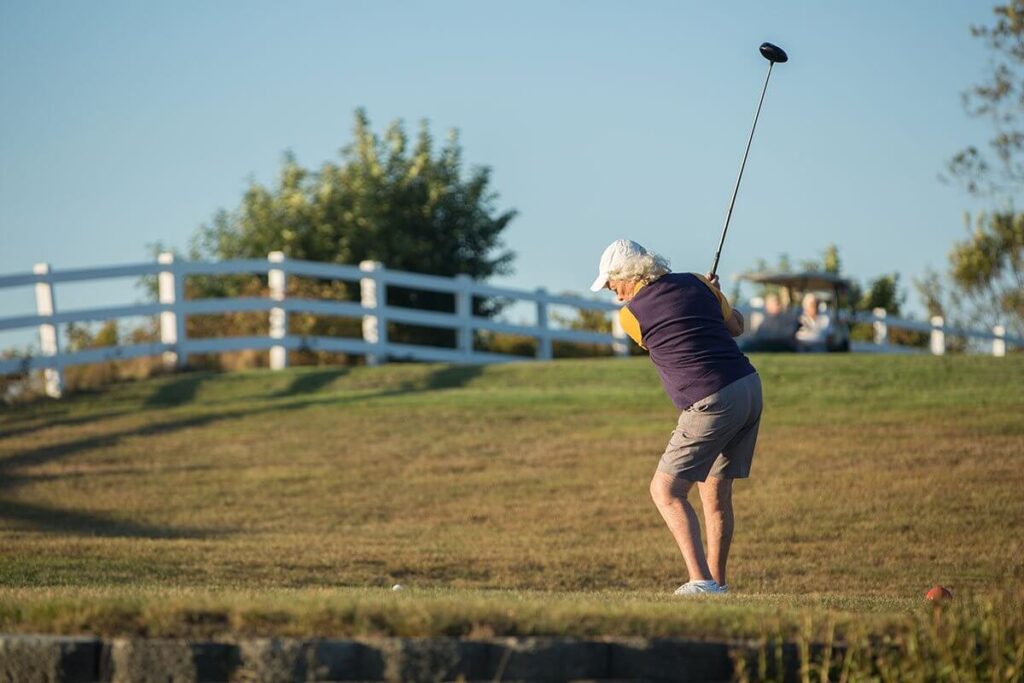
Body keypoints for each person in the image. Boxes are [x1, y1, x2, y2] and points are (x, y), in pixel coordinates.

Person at [590, 239, 763, 595]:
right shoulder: (698, 283)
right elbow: (737, 327)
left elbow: (658, 335)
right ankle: (717, 585)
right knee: (715, 493)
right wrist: (715, 295)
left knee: (665, 490)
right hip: (747, 388)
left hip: (711, 399)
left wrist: (707, 295)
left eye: (613, 284)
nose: (615, 294)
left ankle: (700, 582)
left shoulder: (630, 317)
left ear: (629, 277)